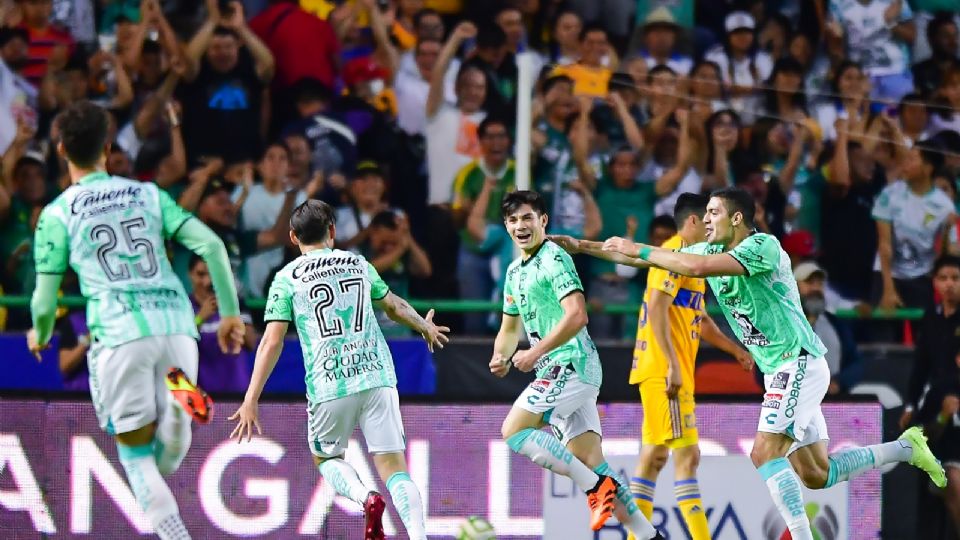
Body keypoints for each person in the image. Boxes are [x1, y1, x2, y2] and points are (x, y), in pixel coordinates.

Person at [551, 186, 945, 540]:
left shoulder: (764, 247)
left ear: (737, 218)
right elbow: (653, 262)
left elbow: (693, 268)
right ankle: (905, 448)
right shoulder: (709, 250)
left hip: (799, 363)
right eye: (703, 214)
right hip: (782, 370)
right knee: (817, 474)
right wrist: (581, 246)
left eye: (713, 214)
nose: (705, 220)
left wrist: (640, 249)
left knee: (764, 454)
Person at [27, 101, 245, 539]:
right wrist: (230, 315)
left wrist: (41, 333)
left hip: (118, 332)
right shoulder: (147, 194)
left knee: (136, 458)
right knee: (164, 457)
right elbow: (212, 248)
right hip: (177, 323)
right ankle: (178, 408)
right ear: (108, 148)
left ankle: (174, 533)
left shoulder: (56, 214)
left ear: (62, 149)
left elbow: (44, 301)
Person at [229, 199, 449, 540]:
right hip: (376, 374)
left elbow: (272, 341)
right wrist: (425, 327)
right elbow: (392, 305)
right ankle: (418, 537)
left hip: (329, 382)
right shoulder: (358, 263)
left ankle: (366, 498)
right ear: (332, 231)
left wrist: (251, 397)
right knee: (394, 467)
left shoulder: (287, 278)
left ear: (292, 237)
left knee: (327, 458)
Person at [489, 190, 662, 539]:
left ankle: (593, 488)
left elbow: (577, 315)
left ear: (543, 221)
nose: (521, 225)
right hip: (558, 370)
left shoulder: (554, 257)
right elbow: (509, 329)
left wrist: (535, 353)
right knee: (589, 459)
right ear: (507, 226)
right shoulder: (513, 272)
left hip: (571, 363)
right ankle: (648, 535)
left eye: (527, 218)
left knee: (514, 431)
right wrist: (500, 355)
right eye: (513, 220)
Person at [626, 194, 753, 540]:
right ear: (693, 221)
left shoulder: (693, 262)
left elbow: (701, 318)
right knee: (688, 456)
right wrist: (671, 366)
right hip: (665, 370)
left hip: (662, 369)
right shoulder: (673, 253)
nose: (712, 226)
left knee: (653, 458)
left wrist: (734, 350)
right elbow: (655, 307)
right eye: (708, 219)